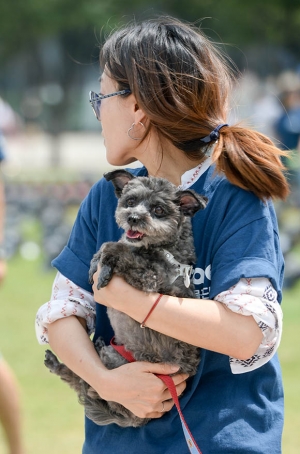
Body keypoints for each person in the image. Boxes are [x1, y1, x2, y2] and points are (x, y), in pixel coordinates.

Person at [35, 17, 289, 454]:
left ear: (137, 109)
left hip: (220, 440)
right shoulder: (108, 195)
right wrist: (106, 381)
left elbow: (247, 333)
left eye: (101, 96)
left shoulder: (233, 195)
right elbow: (63, 314)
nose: (97, 111)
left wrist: (129, 299)